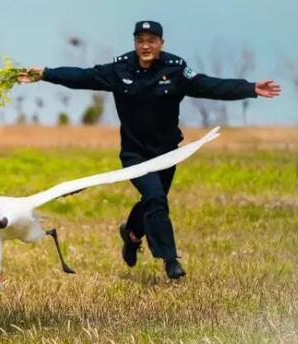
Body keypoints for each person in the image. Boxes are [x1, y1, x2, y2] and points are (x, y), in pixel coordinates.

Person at [18, 20, 281, 279]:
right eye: (140, 41)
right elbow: (83, 76)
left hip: (167, 153)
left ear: (161, 44)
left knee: (152, 202)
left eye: (151, 41)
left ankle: (131, 234)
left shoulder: (175, 69)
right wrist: (46, 73)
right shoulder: (120, 69)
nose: (145, 46)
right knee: (156, 198)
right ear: (135, 43)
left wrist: (250, 88)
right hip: (135, 154)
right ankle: (170, 260)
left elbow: (208, 85)